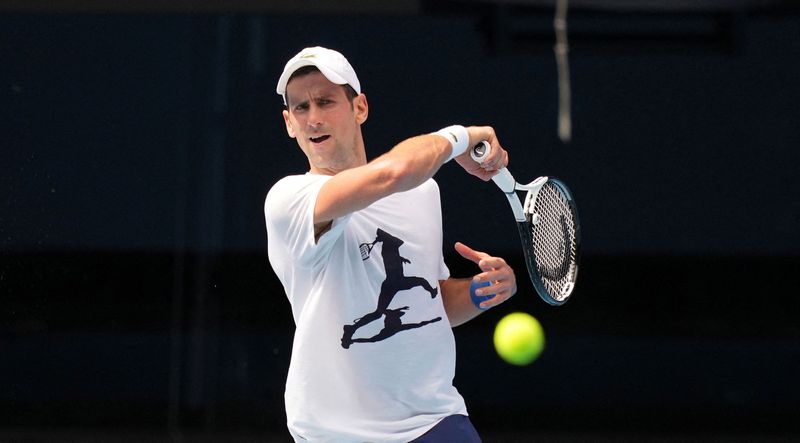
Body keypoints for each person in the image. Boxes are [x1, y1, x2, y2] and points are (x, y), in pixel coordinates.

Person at [265, 46, 518, 442]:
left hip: (435, 420)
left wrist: (479, 291)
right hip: (336, 433)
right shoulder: (290, 199)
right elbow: (393, 173)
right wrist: (461, 137)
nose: (313, 118)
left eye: (326, 101)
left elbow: (431, 302)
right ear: (289, 123)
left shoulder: (423, 193)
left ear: (359, 108)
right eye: (300, 108)